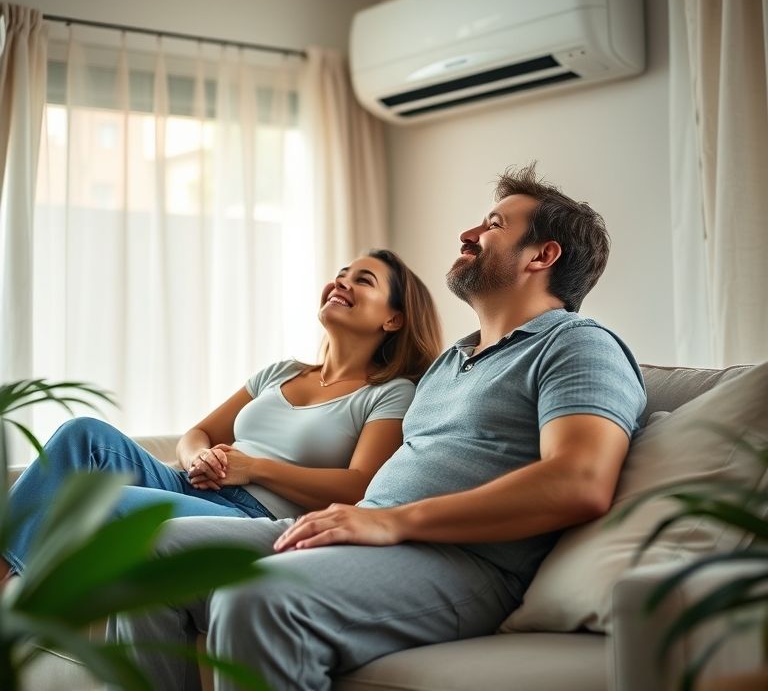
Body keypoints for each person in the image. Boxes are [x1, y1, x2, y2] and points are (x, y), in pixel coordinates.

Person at [111, 164, 647, 691]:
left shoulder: (577, 343)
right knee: (145, 551)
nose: (468, 233)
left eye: (493, 224)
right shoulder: (451, 361)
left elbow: (578, 481)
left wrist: (394, 522)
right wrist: (366, 520)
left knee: (252, 596)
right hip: (362, 532)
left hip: (464, 562)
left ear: (542, 255)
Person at [1, 249, 442, 580]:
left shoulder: (390, 393)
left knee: (111, 505)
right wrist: (200, 458)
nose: (339, 283)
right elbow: (200, 432)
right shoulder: (281, 371)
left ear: (394, 320)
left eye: (362, 280)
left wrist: (252, 468)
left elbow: (360, 486)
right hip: (192, 484)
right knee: (83, 434)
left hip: (252, 516)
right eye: (339, 275)